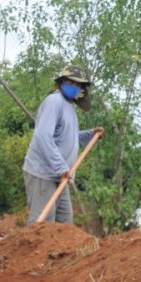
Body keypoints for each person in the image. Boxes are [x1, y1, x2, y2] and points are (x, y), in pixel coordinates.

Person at [23, 64, 104, 224]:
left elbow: (67, 138)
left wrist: (90, 134)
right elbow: (43, 136)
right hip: (43, 173)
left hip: (60, 176)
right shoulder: (54, 102)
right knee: (43, 226)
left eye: (78, 84)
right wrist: (61, 167)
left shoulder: (69, 108)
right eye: (70, 82)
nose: (74, 86)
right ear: (61, 82)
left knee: (65, 227)